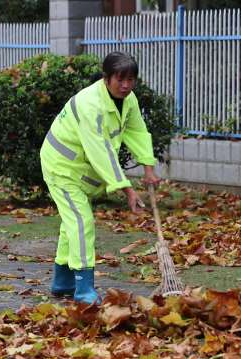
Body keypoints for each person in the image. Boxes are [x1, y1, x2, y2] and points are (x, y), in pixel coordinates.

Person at [40, 52, 160, 304]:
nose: (126, 85)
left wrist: (149, 167)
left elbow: (137, 131)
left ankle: (62, 282)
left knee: (71, 222)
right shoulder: (90, 104)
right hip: (61, 166)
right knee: (82, 222)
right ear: (106, 78)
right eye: (120, 79)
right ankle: (84, 288)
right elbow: (101, 152)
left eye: (131, 79)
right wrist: (127, 189)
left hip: (82, 169)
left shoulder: (128, 100)